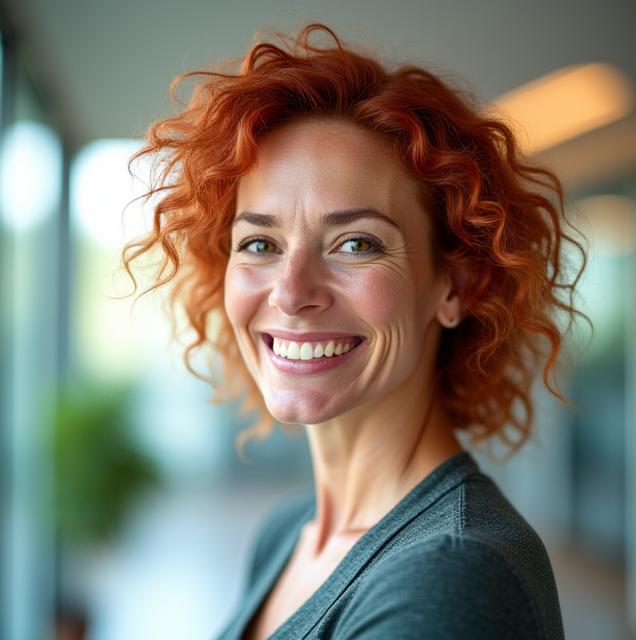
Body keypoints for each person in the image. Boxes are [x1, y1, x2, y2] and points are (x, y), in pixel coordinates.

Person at [123, 22, 588, 640]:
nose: (291, 291)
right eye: (259, 242)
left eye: (356, 243)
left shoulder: (450, 578)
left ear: (456, 286)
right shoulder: (288, 535)